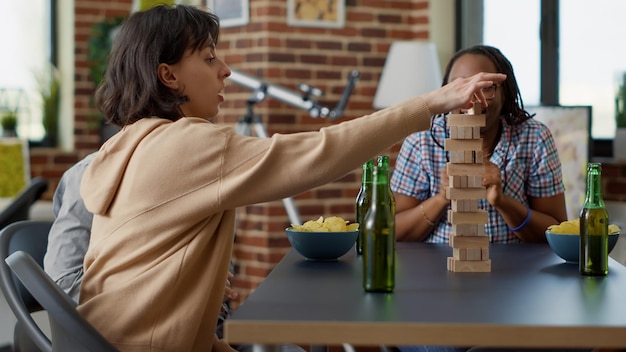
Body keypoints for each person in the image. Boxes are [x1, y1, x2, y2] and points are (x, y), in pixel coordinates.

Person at [76, 4, 505, 352]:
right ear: (168, 75)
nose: (225, 70)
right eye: (209, 59)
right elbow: (323, 151)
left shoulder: (129, 142)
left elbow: (162, 300)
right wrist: (431, 103)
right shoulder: (185, 145)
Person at [391, 45, 567, 244]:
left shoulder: (534, 138)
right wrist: (442, 198)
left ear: (505, 93)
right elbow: (394, 231)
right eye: (460, 87)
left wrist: (502, 202)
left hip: (516, 267)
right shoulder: (421, 140)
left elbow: (557, 231)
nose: (471, 99)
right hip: (438, 266)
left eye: (485, 88)